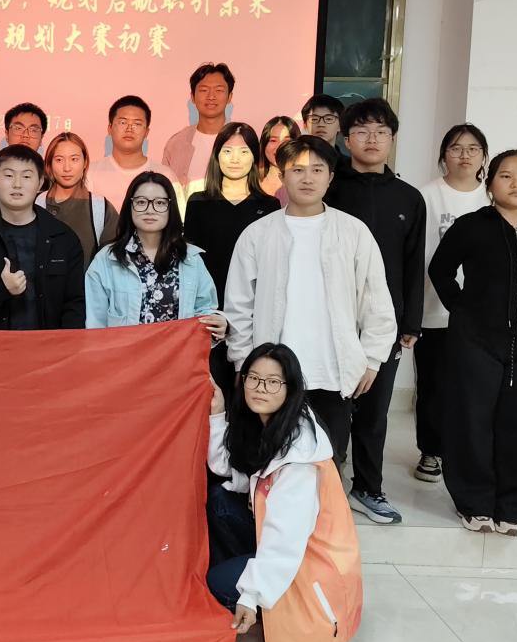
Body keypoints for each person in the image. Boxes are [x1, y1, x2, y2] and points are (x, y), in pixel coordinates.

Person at [224, 135, 397, 485]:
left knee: (328, 465)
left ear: (330, 177)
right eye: (297, 170)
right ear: (282, 176)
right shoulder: (258, 234)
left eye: (317, 170)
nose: (307, 178)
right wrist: (243, 360)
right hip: (273, 375)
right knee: (269, 464)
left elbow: (376, 299)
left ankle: (326, 520)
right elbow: (238, 305)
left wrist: (372, 358)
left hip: (331, 370)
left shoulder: (353, 232)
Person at [429, 150, 517, 536]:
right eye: (506, 175)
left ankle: (512, 507)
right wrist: (464, 311)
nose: (516, 183)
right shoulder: (470, 226)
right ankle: (474, 503)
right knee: (472, 419)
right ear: (490, 182)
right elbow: (440, 270)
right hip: (475, 338)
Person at [206, 343, 362, 642]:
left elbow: (285, 540)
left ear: (290, 388)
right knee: (220, 500)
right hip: (288, 549)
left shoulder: (300, 458)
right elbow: (225, 468)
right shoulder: (270, 425)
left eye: (273, 381)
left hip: (308, 566)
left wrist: (250, 595)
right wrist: (218, 413)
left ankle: (259, 604)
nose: (260, 388)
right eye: (253, 378)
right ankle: (254, 589)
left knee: (217, 583)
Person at [324, 98, 424, 525]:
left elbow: (414, 262)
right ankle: (326, 487)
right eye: (362, 131)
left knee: (375, 410)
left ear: (392, 139)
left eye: (381, 131)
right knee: (330, 406)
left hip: (385, 322)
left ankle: (368, 487)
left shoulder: (409, 197)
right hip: (331, 315)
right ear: (346, 140)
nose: (372, 139)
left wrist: (410, 321)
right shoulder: (330, 188)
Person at [413, 124, 490, 484]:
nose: (464, 155)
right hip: (433, 309)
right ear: (443, 154)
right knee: (434, 385)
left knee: (476, 388)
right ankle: (431, 450)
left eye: (473, 148)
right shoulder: (426, 196)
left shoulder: (491, 197)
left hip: (482, 313)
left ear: (483, 156)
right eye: (456, 148)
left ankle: (469, 451)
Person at [184, 123, 280, 403]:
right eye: (227, 151)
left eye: (244, 151)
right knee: (209, 400)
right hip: (208, 318)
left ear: (255, 157)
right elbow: (190, 264)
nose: (235, 159)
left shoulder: (270, 206)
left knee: (249, 399)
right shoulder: (198, 203)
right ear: (216, 155)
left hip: (253, 318)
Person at [0, 145, 85, 330]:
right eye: (9, 175)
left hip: (47, 345)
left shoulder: (63, 238)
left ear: (40, 183)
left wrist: (65, 345)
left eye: (26, 176)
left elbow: (74, 305)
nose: (17, 184)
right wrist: (0, 290)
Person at [85, 172, 224, 341]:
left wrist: (217, 324)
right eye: (141, 202)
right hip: (124, 356)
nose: (150, 210)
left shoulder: (190, 258)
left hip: (177, 355)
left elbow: (205, 311)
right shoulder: (106, 260)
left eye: (159, 203)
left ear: (171, 208)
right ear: (129, 207)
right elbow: (95, 324)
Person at [88, 95, 184, 216]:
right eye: (123, 122)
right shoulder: (90, 173)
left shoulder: (165, 175)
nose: (129, 129)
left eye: (137, 124)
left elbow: (179, 220)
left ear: (146, 132)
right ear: (110, 128)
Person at [37, 131, 117, 265]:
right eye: (59, 160)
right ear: (49, 164)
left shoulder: (100, 208)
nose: (67, 168)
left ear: (85, 162)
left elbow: (112, 263)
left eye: (74, 159)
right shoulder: (36, 203)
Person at [162, 62, 235, 197]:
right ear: (192, 97)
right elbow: (165, 192)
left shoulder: (242, 140)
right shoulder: (176, 143)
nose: (211, 96)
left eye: (219, 90)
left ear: (229, 97)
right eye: (203, 90)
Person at [258, 115, 300, 198]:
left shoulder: (305, 183)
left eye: (286, 141)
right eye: (273, 140)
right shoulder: (249, 182)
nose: (279, 147)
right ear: (264, 144)